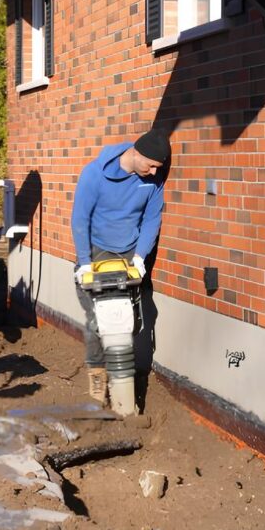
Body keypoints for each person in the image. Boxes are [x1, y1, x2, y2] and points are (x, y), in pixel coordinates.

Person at [71, 128, 171, 406]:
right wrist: (84, 263)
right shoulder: (94, 174)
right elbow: (80, 218)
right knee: (97, 324)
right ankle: (96, 388)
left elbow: (152, 219)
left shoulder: (152, 180)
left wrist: (140, 257)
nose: (154, 173)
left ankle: (124, 387)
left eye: (158, 168)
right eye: (151, 165)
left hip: (128, 252)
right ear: (136, 153)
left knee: (127, 322)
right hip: (96, 251)